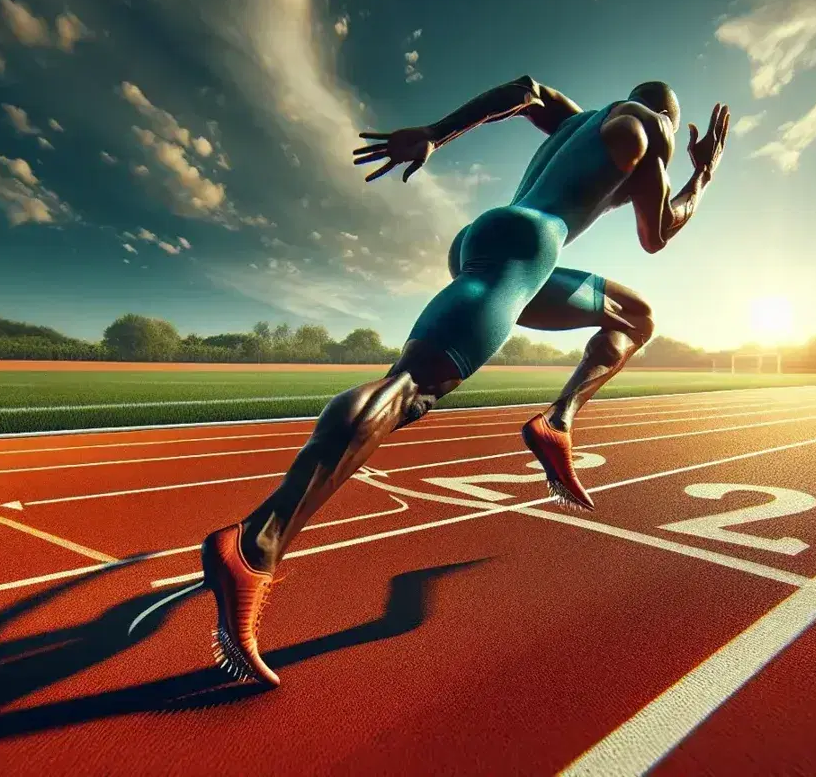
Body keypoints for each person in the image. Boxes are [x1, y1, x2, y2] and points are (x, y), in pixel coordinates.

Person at [200, 76, 730, 686]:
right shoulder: (651, 131)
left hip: (498, 241)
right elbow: (657, 233)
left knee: (635, 317)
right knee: (409, 389)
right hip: (526, 247)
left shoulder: (579, 120)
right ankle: (255, 543)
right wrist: (704, 174)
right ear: (670, 115)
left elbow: (528, 89)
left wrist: (433, 133)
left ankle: (557, 422)